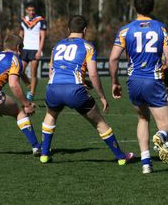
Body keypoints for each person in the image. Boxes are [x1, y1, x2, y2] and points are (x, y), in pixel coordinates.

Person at [40, 15, 133, 165]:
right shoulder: (88, 47)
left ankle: (44, 154)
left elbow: (52, 70)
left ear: (69, 29)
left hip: (53, 89)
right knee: (99, 123)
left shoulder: (57, 46)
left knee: (50, 116)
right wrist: (102, 96)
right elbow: (94, 73)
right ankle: (121, 157)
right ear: (85, 30)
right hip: (75, 91)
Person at [109, 0, 168, 174]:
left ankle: (146, 163)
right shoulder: (161, 28)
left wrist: (115, 82)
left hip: (134, 81)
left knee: (142, 118)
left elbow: (113, 58)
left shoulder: (125, 30)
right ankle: (159, 136)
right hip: (153, 80)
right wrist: (164, 73)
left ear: (135, 8)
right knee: (166, 125)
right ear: (152, 8)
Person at [0, 34, 41, 155]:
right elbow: (13, 85)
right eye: (21, 48)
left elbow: (17, 72)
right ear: (18, 48)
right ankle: (37, 147)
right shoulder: (15, 58)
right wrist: (27, 104)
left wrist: (27, 82)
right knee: (18, 112)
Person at [19, 2, 47, 101]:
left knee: (33, 72)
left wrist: (40, 50)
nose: (31, 12)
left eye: (33, 10)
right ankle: (28, 84)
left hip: (35, 49)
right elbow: (21, 34)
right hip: (25, 49)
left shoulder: (40, 20)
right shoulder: (23, 20)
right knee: (20, 70)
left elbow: (43, 37)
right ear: (26, 10)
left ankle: (31, 94)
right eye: (29, 10)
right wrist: (19, 46)